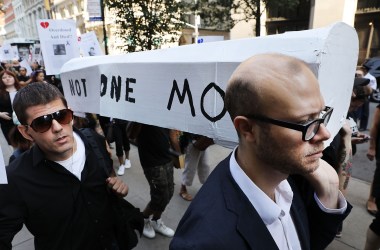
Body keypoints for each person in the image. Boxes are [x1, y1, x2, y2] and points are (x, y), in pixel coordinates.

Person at [170, 53, 351, 250]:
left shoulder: (290, 175)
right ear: (248, 129)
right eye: (304, 123)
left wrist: (331, 190)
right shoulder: (206, 240)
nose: (324, 133)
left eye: (320, 115)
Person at [0, 82, 131, 249]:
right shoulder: (15, 179)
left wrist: (117, 187)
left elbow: (109, 174)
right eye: (43, 123)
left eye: (62, 116)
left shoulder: (94, 140)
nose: (57, 128)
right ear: (26, 132)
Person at [322, 77, 372, 237]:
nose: (352, 109)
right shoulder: (330, 120)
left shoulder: (344, 117)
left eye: (356, 107)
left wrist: (351, 139)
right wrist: (346, 140)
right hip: (329, 181)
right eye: (351, 104)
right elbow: (342, 182)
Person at [136, 124, 181, 239]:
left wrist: (180, 157)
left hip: (166, 157)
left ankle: (156, 220)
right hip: (151, 161)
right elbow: (130, 134)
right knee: (159, 196)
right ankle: (143, 219)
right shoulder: (140, 110)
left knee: (169, 193)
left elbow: (172, 135)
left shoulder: (165, 108)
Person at [179, 134, 214, 201]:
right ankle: (182, 189)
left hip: (204, 139)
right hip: (192, 141)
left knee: (205, 165)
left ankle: (205, 186)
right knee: (190, 167)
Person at [0, 70, 22, 145]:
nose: (7, 79)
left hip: (24, 122)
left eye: (10, 76)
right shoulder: (1, 93)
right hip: (8, 124)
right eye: (4, 77)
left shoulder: (22, 90)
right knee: (15, 146)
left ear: (14, 78)